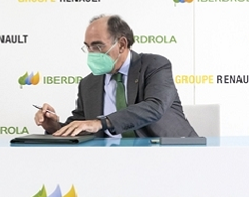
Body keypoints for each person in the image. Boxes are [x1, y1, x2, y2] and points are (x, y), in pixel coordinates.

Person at [34, 15, 197, 138]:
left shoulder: (154, 65)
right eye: (88, 47)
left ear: (121, 45)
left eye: (98, 46)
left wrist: (101, 123)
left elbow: (154, 107)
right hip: (113, 160)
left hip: (170, 152)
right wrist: (53, 126)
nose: (92, 53)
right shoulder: (88, 83)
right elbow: (83, 126)